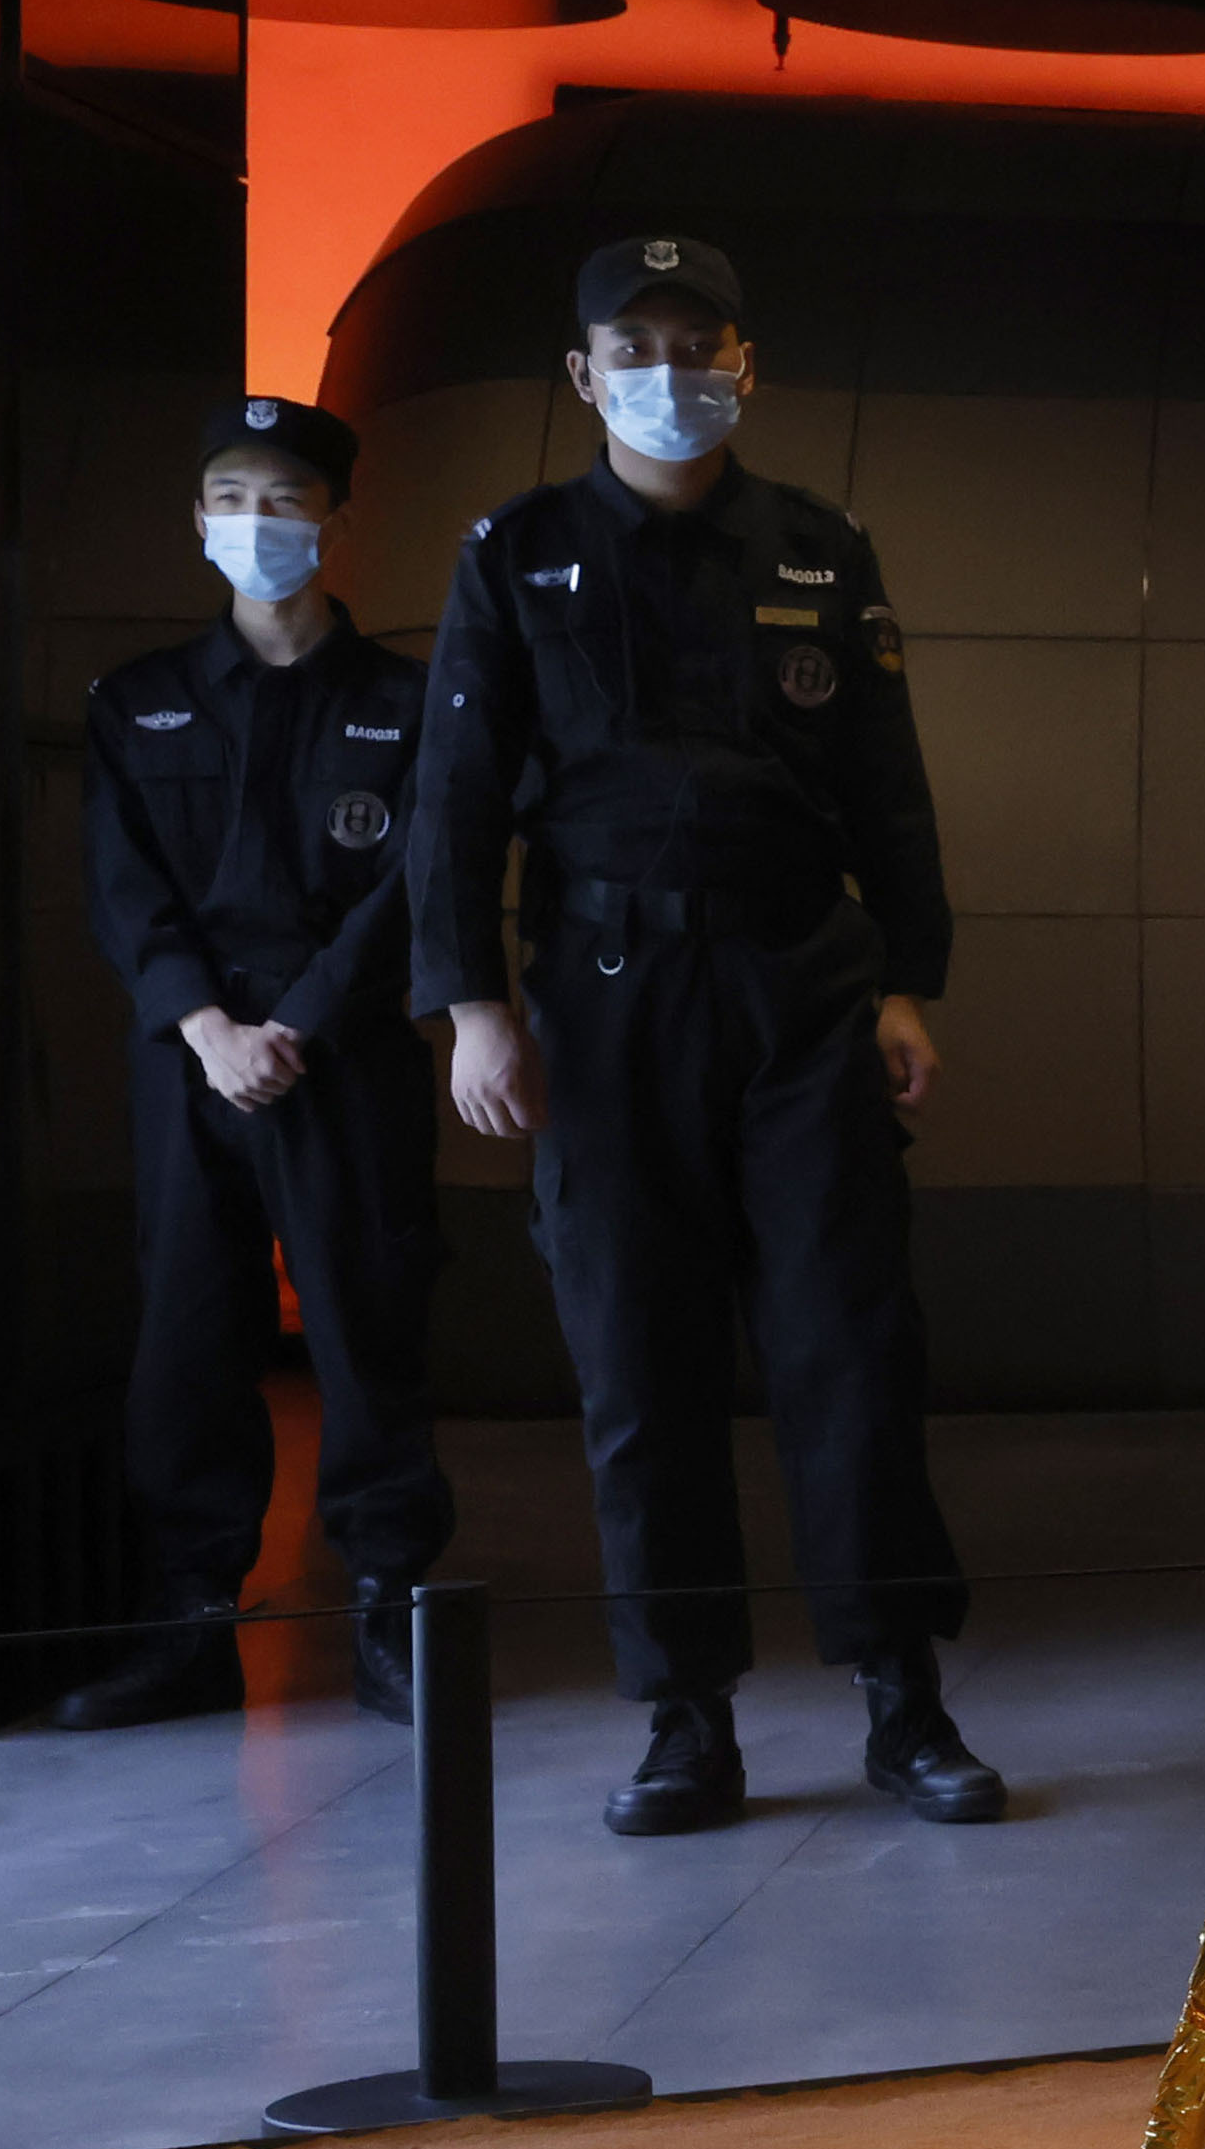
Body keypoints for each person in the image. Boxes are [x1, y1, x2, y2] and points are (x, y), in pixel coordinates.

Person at [413, 235, 1003, 1832]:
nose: (669, 370)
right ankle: (686, 1722)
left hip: (804, 985)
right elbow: (456, 798)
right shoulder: (517, 553)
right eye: (635, 341)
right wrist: (474, 1005)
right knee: (637, 1364)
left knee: (851, 1350)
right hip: (603, 1003)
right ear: (584, 373)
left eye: (701, 340)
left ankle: (904, 1700)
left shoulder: (820, 545)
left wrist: (905, 980)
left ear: (748, 365)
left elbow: (888, 781)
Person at [57, 392, 447, 1729]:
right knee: (189, 1334)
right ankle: (190, 1625)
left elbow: (420, 881)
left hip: (342, 1053)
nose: (256, 522)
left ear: (334, 517)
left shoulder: (413, 699)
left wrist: (305, 1019)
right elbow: (125, 891)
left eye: (283, 497)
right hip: (192, 1061)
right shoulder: (142, 702)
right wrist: (211, 1028)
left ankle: (394, 1610)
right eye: (229, 496)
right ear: (196, 519)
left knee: (368, 1323)